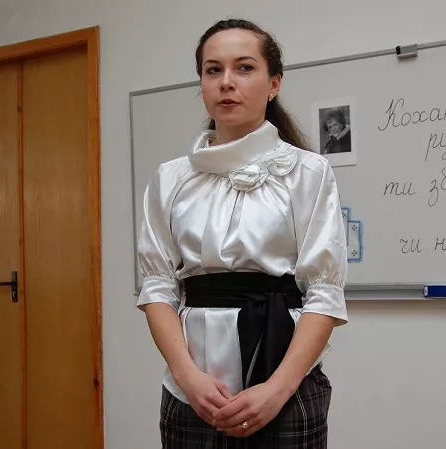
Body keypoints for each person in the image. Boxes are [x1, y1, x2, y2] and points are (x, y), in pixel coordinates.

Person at [136, 18, 349, 449]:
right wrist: (187, 377)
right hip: (191, 394)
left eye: (245, 68)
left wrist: (278, 389)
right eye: (213, 70)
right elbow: (157, 287)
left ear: (274, 84)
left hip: (285, 386)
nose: (226, 82)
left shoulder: (308, 172)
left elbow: (324, 292)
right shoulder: (169, 178)